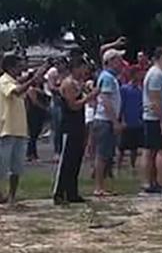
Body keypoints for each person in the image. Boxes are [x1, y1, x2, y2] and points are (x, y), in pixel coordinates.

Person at [0, 54, 49, 206]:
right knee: (2, 166)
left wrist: (41, 70)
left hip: (19, 129)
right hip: (6, 128)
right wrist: (33, 80)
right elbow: (17, 90)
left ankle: (12, 197)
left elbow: (24, 81)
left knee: (17, 167)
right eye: (18, 65)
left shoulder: (13, 80)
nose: (21, 68)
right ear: (10, 67)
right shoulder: (4, 81)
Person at [53, 56, 99, 204]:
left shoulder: (79, 84)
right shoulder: (68, 84)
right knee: (66, 161)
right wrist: (89, 97)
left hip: (79, 125)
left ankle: (72, 192)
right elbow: (73, 105)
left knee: (75, 160)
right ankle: (59, 193)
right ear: (76, 68)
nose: (85, 71)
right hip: (69, 126)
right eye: (83, 68)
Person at [141, 48, 162, 195]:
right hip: (155, 118)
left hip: (155, 117)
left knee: (152, 151)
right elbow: (155, 99)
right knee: (161, 151)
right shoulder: (156, 74)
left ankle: (152, 182)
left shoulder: (159, 74)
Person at [91, 49, 123, 196]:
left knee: (106, 155)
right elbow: (106, 100)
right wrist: (115, 121)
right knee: (102, 155)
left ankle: (102, 185)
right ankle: (98, 187)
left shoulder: (109, 77)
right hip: (105, 120)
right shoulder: (108, 78)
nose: (121, 63)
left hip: (105, 120)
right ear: (110, 61)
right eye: (118, 60)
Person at [118, 70, 143, 174]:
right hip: (126, 120)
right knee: (122, 147)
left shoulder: (140, 90)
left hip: (136, 121)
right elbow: (121, 105)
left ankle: (132, 166)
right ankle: (118, 167)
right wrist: (122, 119)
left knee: (134, 147)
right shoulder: (124, 89)